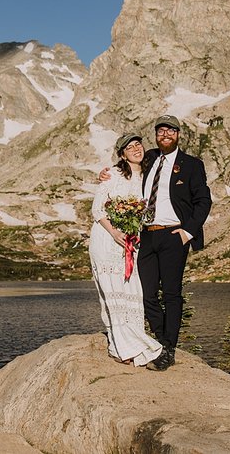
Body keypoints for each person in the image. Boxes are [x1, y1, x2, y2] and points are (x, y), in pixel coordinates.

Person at [101, 115, 212, 371]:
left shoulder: (192, 165)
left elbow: (203, 201)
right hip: (147, 235)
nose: (165, 135)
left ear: (178, 134)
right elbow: (126, 166)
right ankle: (159, 341)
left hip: (174, 235)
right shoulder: (149, 157)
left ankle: (168, 348)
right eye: (161, 131)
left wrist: (188, 232)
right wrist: (105, 173)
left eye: (170, 131)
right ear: (156, 135)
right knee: (148, 294)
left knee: (172, 293)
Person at [89, 133, 164, 367]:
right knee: (111, 292)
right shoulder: (113, 174)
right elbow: (97, 210)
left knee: (132, 292)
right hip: (107, 239)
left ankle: (126, 343)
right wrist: (114, 232)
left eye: (138, 144)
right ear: (122, 154)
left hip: (132, 243)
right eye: (129, 147)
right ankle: (121, 345)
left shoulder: (148, 175)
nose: (135, 149)